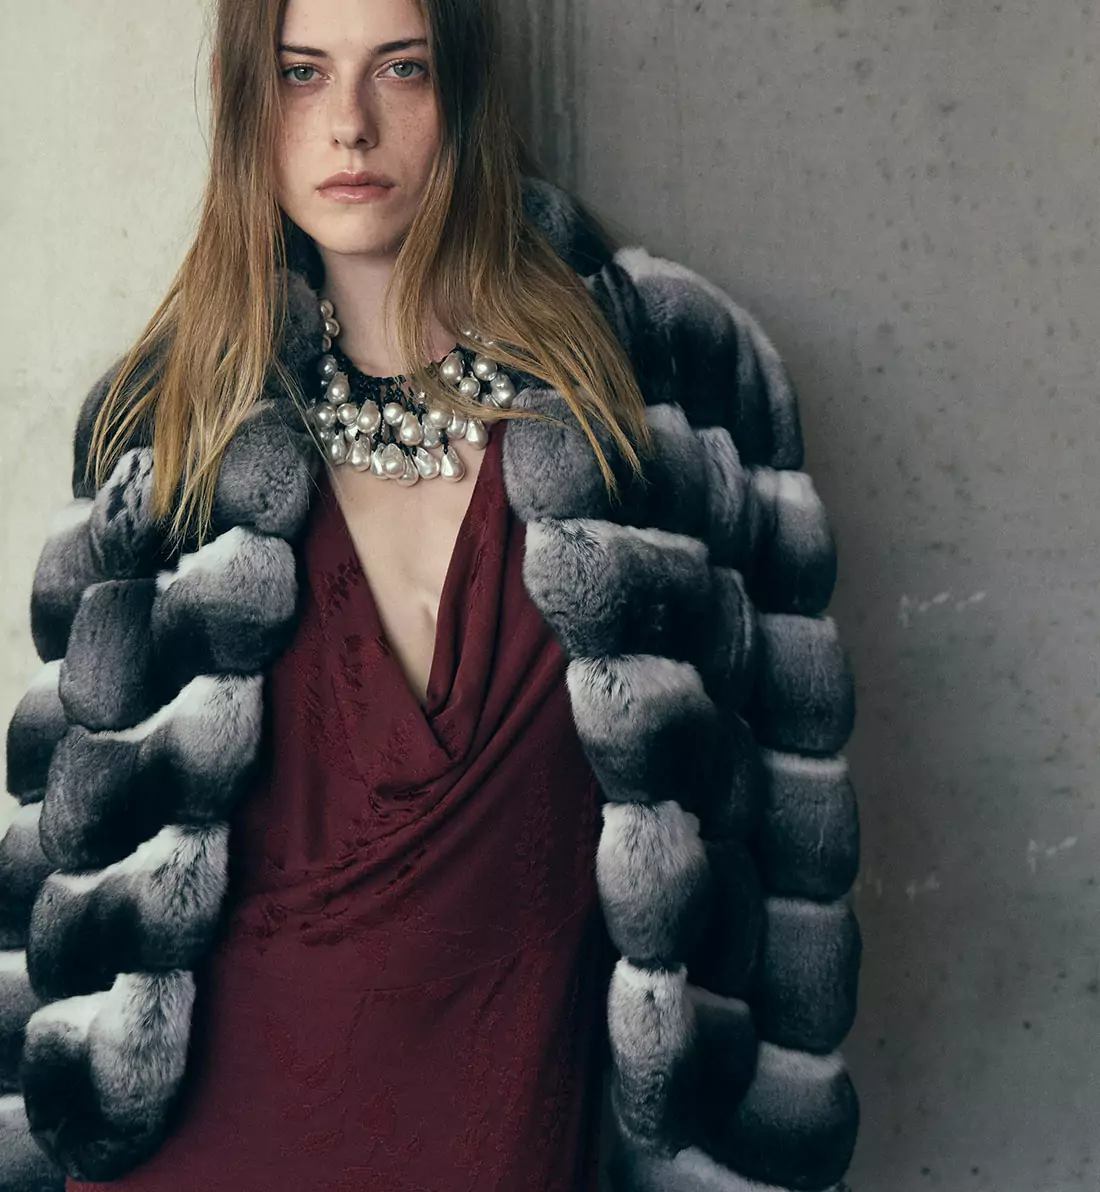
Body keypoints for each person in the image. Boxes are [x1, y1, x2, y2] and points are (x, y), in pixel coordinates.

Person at [0, 0, 863, 1189]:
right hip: (198, 1147)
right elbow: (59, 865)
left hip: (505, 1133)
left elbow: (775, 832)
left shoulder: (666, 391)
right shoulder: (165, 427)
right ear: (248, 103)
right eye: (300, 74)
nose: (348, 125)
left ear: (464, 84)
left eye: (398, 69)